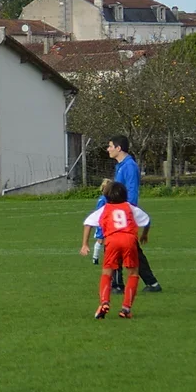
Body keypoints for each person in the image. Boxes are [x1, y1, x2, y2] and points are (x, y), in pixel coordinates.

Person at [80, 181, 151, 319]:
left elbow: (88, 223)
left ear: (107, 196)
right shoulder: (129, 207)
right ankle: (126, 309)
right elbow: (147, 220)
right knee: (133, 273)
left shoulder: (105, 209)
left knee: (107, 272)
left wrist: (85, 244)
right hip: (129, 240)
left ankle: (104, 302)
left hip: (112, 240)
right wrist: (144, 234)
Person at [107, 136, 161, 292]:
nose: (108, 149)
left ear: (118, 148)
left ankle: (118, 285)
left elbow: (131, 192)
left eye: (110, 146)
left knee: (119, 246)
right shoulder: (121, 166)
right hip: (120, 212)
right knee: (131, 249)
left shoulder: (129, 166)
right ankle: (151, 283)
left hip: (124, 214)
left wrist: (124, 211)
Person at [90, 178, 113, 265]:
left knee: (110, 240)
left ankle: (109, 258)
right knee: (100, 240)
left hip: (110, 223)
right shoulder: (102, 199)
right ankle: (95, 258)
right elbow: (99, 212)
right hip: (102, 223)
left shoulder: (109, 198)